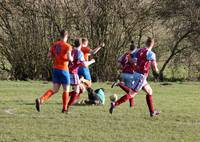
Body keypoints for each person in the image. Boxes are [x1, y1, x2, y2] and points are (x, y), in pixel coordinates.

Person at [110, 37, 160, 117]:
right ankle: (115, 104)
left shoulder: (139, 50)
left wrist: (134, 63)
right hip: (141, 76)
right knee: (132, 94)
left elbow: (130, 56)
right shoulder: (151, 54)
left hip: (136, 74)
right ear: (152, 44)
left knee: (149, 91)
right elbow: (154, 67)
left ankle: (152, 112)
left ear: (146, 43)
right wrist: (157, 70)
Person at [35, 30, 73, 113]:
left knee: (55, 89)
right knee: (66, 89)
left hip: (55, 69)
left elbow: (49, 55)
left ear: (60, 36)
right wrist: (72, 59)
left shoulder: (54, 45)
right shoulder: (68, 46)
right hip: (64, 69)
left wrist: (56, 56)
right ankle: (65, 108)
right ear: (66, 37)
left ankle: (41, 100)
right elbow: (70, 58)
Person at [67, 38, 95, 112]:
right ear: (81, 45)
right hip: (73, 73)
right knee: (78, 90)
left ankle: (67, 101)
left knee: (81, 89)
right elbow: (84, 64)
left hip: (67, 72)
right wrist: (91, 61)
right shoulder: (79, 53)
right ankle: (67, 107)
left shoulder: (71, 51)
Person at [116, 41, 137, 108]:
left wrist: (123, 67)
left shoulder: (125, 54)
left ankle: (132, 106)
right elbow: (135, 64)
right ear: (135, 49)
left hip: (123, 73)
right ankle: (119, 84)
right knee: (131, 92)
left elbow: (118, 64)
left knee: (130, 91)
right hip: (130, 74)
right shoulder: (135, 55)